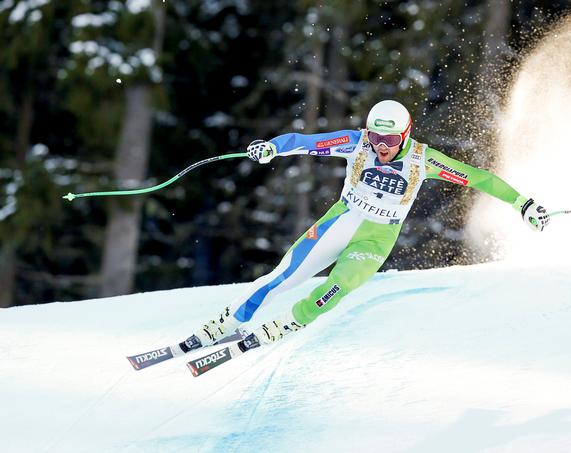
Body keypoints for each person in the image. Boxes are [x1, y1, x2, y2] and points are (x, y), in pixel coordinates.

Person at [174, 100, 549, 353]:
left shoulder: (423, 160)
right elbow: (307, 143)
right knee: (282, 276)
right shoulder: (357, 144)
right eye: (374, 136)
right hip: (341, 220)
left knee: (339, 286)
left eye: (388, 140)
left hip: (377, 236)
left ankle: (287, 323)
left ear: (404, 135)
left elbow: (478, 178)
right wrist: (272, 147)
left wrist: (523, 203)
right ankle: (225, 323)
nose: (380, 146)